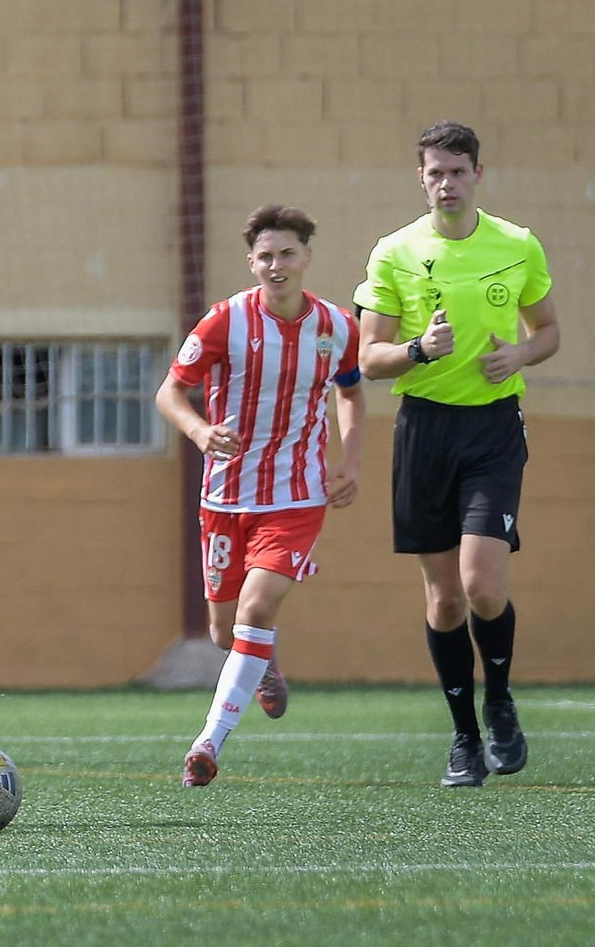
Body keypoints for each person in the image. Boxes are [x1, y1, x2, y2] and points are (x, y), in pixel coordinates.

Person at [353, 121, 560, 788]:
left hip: (493, 430)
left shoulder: (517, 244)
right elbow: (368, 358)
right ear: (421, 178)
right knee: (444, 601)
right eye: (435, 173)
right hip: (425, 432)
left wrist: (519, 354)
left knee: (482, 585)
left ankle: (499, 704)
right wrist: (418, 350)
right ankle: (465, 738)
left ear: (478, 173)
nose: (447, 183)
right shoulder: (394, 252)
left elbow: (549, 331)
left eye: (458, 171)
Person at [155, 204, 365, 787]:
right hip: (225, 497)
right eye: (266, 256)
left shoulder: (336, 327)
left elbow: (350, 392)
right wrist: (200, 431)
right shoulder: (224, 322)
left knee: (256, 607)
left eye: (287, 254)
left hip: (297, 497)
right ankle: (264, 663)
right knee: (225, 631)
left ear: (307, 257)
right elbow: (170, 392)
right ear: (252, 262)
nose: (277, 265)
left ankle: (209, 742)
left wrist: (349, 458)